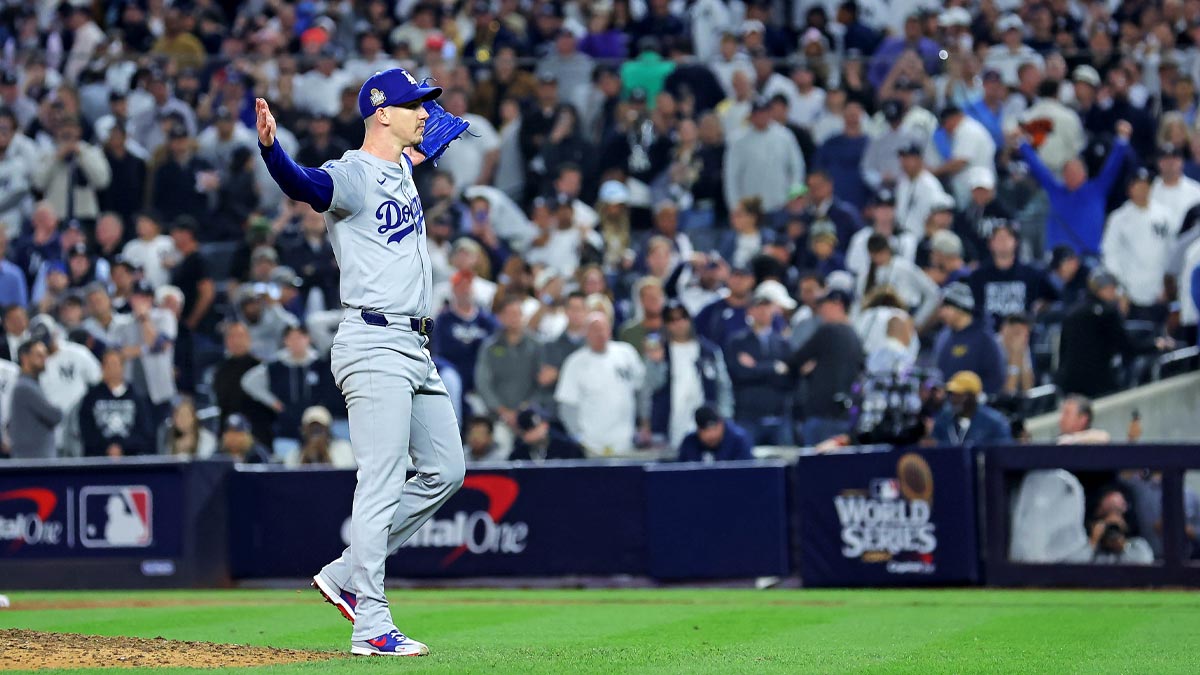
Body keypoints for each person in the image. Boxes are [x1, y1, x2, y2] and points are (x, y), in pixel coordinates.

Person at [258, 68, 470, 656]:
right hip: (374, 340)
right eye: (415, 105)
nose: (426, 113)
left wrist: (440, 130)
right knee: (379, 480)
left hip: (416, 347)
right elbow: (304, 185)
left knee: (446, 471)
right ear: (382, 113)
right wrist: (273, 150)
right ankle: (370, 623)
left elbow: (432, 138)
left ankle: (347, 573)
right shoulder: (352, 174)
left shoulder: (400, 163)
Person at [1016, 120, 1131, 256]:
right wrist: (1021, 142)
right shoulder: (1056, 190)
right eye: (1068, 172)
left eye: (1075, 171)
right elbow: (1038, 167)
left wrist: (1122, 139)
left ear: (1084, 174)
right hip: (1057, 259)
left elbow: (1113, 166)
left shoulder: (1096, 190)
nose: (1071, 175)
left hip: (1089, 257)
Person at [1058, 269, 1172, 397]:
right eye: (1113, 288)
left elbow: (1062, 352)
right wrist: (1155, 345)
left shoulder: (1072, 312)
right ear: (1106, 288)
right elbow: (1127, 348)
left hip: (1069, 384)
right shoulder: (1107, 313)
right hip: (1098, 383)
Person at [644, 300, 734, 450]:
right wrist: (656, 363)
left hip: (705, 426)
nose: (678, 323)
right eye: (672, 320)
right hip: (668, 423)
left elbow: (723, 386)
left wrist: (725, 419)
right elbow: (651, 387)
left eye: (682, 318)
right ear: (665, 324)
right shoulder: (660, 352)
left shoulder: (709, 351)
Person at [555, 311, 646, 456]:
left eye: (603, 328)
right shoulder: (575, 362)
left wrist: (643, 425)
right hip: (592, 444)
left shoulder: (626, 353)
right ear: (585, 333)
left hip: (625, 440)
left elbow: (641, 390)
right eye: (594, 329)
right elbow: (567, 405)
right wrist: (579, 437)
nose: (600, 333)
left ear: (609, 330)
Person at [786, 289, 864, 446]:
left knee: (815, 466)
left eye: (825, 305)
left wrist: (807, 368)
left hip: (821, 414)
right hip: (845, 413)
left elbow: (795, 359)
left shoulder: (828, 330)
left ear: (838, 305)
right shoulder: (856, 336)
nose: (821, 310)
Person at [725, 285, 793, 445]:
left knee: (786, 463)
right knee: (747, 465)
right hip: (748, 416)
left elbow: (789, 378)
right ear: (750, 311)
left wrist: (755, 368)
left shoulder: (783, 344)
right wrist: (774, 368)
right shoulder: (737, 342)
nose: (763, 312)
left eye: (767, 307)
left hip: (778, 415)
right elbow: (739, 374)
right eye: (758, 307)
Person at [473, 296, 539, 435]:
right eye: (509, 314)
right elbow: (483, 383)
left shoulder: (537, 346)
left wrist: (526, 408)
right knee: (500, 439)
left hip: (532, 414)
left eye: (517, 313)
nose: (514, 318)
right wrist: (503, 411)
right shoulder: (489, 348)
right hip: (498, 417)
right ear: (500, 317)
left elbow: (541, 382)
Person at [933, 283, 1005, 395]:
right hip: (948, 405)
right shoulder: (943, 336)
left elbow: (996, 377)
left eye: (945, 306)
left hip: (974, 406)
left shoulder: (984, 338)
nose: (941, 313)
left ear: (960, 307)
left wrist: (974, 399)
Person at [78, 350, 153, 457]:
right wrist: (107, 447)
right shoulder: (91, 397)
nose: (111, 369)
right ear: (102, 368)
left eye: (114, 364)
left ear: (122, 367)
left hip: (131, 459)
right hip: (97, 459)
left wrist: (122, 447)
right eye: (107, 365)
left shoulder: (137, 397)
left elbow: (145, 431)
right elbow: (86, 429)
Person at [8, 340, 62, 459]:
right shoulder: (24, 387)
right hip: (33, 462)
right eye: (39, 355)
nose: (44, 359)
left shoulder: (31, 385)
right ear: (25, 358)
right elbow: (55, 415)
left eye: (45, 354)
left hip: (36, 460)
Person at [932, 371, 1013, 446]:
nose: (954, 400)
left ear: (973, 397)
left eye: (960, 395)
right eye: (952, 394)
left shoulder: (994, 422)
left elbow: (1004, 453)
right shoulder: (944, 419)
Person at [677, 405, 754, 462]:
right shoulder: (689, 442)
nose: (711, 435)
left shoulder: (738, 439)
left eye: (715, 429)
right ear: (698, 430)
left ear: (721, 424)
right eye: (706, 431)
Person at [508, 404, 585, 462]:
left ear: (546, 425)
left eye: (540, 425)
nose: (540, 431)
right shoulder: (519, 454)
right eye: (532, 429)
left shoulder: (567, 448)